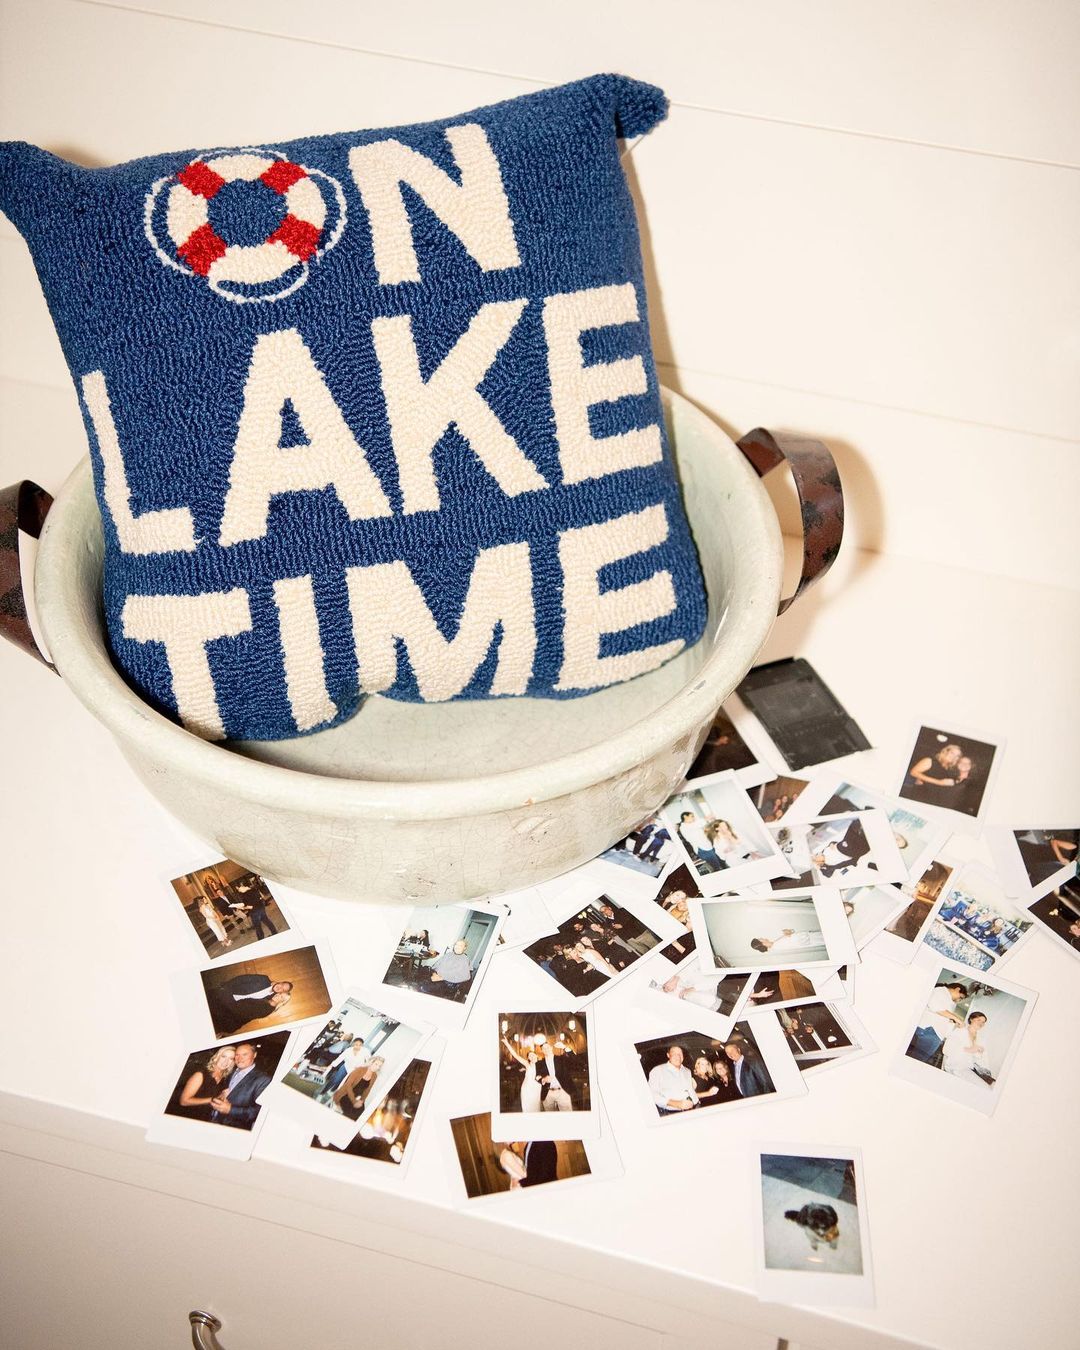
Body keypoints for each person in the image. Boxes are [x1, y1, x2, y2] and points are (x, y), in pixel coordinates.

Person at [210, 1042, 272, 1128]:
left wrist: (230, 1110)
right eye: (237, 1055)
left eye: (245, 1054)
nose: (240, 1058)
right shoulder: (229, 1072)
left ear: (254, 1055)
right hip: (212, 1120)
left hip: (233, 1128)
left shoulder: (263, 1080)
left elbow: (260, 1111)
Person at [209, 974, 293, 1035]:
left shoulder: (269, 1002)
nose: (280, 988)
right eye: (282, 985)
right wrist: (225, 987)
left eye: (283, 990)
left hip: (229, 1008)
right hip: (227, 993)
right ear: (280, 982)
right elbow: (241, 979)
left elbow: (246, 1012)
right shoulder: (264, 979)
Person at [907, 981, 968, 1062]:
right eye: (961, 997)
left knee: (916, 1057)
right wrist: (957, 1019)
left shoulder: (948, 999)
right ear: (957, 989)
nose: (959, 1000)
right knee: (918, 1059)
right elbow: (937, 1008)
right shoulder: (940, 991)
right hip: (930, 1031)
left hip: (933, 1032)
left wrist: (952, 1022)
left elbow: (942, 1015)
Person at [177, 1045, 236, 1121]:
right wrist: (212, 1099)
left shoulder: (224, 1079)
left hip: (205, 1118)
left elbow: (221, 1097)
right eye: (223, 1056)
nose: (226, 1061)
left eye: (231, 1058)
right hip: (186, 1116)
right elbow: (184, 1101)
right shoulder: (200, 1074)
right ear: (217, 1057)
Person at [647, 1045, 698, 1114]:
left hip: (694, 1109)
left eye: (680, 1053)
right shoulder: (658, 1070)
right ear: (668, 1055)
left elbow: (690, 1090)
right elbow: (652, 1094)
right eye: (674, 1053)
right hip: (672, 1113)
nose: (678, 1056)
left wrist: (696, 1102)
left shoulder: (687, 1071)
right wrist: (676, 1103)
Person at [333, 1054, 385, 1120]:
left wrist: (362, 1100)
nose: (377, 1067)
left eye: (379, 1066)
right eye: (376, 1064)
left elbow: (367, 1090)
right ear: (371, 1062)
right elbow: (348, 1085)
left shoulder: (374, 1076)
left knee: (361, 1114)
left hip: (357, 1097)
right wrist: (354, 1101)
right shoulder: (359, 1070)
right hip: (345, 1094)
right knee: (349, 1114)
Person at [942, 1011, 990, 1081]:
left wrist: (980, 1054)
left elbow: (977, 1057)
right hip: (953, 1065)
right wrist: (968, 1050)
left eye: (983, 1022)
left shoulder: (980, 1039)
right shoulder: (961, 1030)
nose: (981, 1023)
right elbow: (947, 1049)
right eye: (979, 1020)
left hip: (967, 1067)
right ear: (971, 1019)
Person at [321, 1036, 370, 1101]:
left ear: (362, 1045)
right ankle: (323, 1092)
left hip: (355, 1071)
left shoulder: (366, 1051)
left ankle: (332, 1091)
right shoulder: (348, 1050)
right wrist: (332, 1065)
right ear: (353, 1044)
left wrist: (361, 1067)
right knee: (336, 1079)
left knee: (344, 1083)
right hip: (346, 1067)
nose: (358, 1046)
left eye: (360, 1045)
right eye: (356, 1044)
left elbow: (369, 1062)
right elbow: (340, 1058)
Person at [502, 1036, 543, 1112]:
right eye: (530, 1056)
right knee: (527, 1107)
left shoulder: (541, 1064)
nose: (532, 1056)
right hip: (526, 1088)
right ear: (529, 1058)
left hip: (536, 1088)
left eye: (533, 1055)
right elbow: (515, 1055)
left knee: (536, 1107)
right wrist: (507, 1043)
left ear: (536, 1055)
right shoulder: (527, 1064)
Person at [750, 928, 822, 955]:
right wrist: (789, 933)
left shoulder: (774, 942)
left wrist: (789, 931)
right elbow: (798, 942)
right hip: (812, 939)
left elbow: (792, 934)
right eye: (760, 939)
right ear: (761, 943)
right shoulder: (776, 947)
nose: (762, 937)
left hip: (810, 936)